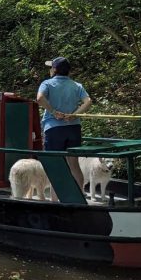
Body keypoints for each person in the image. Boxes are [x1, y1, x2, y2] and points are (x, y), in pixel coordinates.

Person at [37, 56, 91, 195]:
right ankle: (80, 195)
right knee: (74, 164)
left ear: (54, 69)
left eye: (51, 67)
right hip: (74, 128)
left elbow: (39, 98)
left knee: (56, 165)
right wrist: (75, 114)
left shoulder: (47, 84)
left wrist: (53, 112)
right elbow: (88, 101)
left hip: (54, 129)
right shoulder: (76, 85)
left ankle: (56, 200)